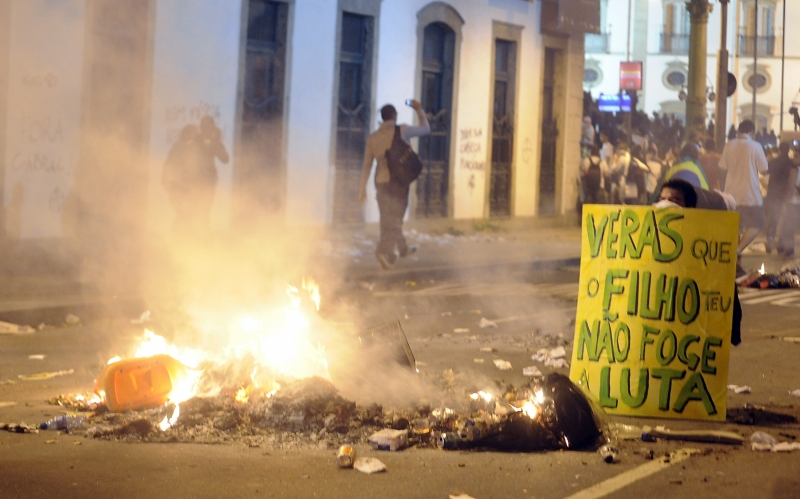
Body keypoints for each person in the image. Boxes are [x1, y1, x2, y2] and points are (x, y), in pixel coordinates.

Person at [656, 178, 742, 346]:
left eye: (674, 201)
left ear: (690, 209)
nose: (666, 205)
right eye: (662, 199)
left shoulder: (707, 249)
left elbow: (723, 290)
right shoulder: (646, 243)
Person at [359, 100, 430, 269]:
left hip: (381, 184)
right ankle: (383, 250)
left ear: (382, 118)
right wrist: (418, 109)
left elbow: (367, 166)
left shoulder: (372, 138)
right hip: (398, 184)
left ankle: (396, 251)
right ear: (394, 116)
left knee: (387, 219)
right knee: (395, 220)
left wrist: (362, 190)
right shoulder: (403, 130)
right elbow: (426, 129)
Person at [719, 120, 769, 276]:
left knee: (736, 228)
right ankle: (737, 251)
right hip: (750, 195)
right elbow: (764, 169)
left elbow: (722, 167)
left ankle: (735, 266)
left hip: (731, 194)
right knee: (757, 224)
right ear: (752, 132)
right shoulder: (755, 146)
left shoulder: (729, 145)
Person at [764, 142, 796, 254]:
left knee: (772, 219)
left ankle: (770, 241)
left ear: (779, 149)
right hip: (785, 196)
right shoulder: (791, 163)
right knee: (785, 221)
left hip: (773, 194)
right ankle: (781, 245)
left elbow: (764, 172)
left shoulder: (773, 162)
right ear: (788, 150)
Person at [776, 141, 800, 256]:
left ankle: (787, 249)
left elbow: (791, 185)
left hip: (792, 202)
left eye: (796, 155)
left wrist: (786, 198)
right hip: (797, 202)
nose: (793, 157)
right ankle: (784, 248)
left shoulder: (795, 169)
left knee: (787, 225)